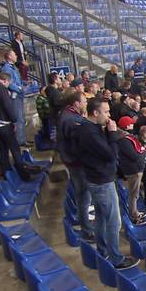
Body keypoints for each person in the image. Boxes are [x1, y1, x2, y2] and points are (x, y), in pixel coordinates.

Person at [74, 98, 138, 269]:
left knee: (102, 217)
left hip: (98, 179)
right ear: (95, 113)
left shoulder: (91, 128)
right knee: (114, 221)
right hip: (101, 182)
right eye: (106, 112)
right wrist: (112, 133)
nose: (109, 115)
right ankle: (116, 259)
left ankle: (103, 251)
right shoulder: (90, 132)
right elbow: (110, 154)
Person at [0, 71, 40, 181]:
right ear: (5, 81)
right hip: (4, 123)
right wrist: (14, 120)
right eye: (8, 84)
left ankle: (7, 174)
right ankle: (24, 175)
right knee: (15, 149)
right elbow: (7, 106)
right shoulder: (1, 88)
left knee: (2, 150)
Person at [57, 91, 95, 240]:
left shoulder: (69, 115)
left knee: (82, 194)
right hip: (77, 163)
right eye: (84, 102)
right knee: (83, 194)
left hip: (72, 161)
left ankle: (85, 221)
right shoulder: (71, 120)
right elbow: (79, 144)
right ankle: (87, 229)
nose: (86, 104)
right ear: (76, 103)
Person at [118, 118, 146, 225]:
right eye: (131, 124)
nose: (133, 125)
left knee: (135, 193)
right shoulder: (124, 140)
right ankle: (134, 216)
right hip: (132, 170)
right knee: (133, 194)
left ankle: (135, 212)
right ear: (126, 126)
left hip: (134, 169)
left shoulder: (126, 137)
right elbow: (134, 155)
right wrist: (144, 151)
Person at [0, 48, 28, 146]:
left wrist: (24, 83)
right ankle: (20, 141)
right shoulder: (6, 68)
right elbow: (9, 83)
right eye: (14, 54)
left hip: (18, 95)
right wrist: (19, 89)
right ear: (10, 57)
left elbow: (17, 80)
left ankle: (23, 139)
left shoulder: (13, 67)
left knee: (22, 118)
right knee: (18, 119)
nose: (16, 56)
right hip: (14, 96)